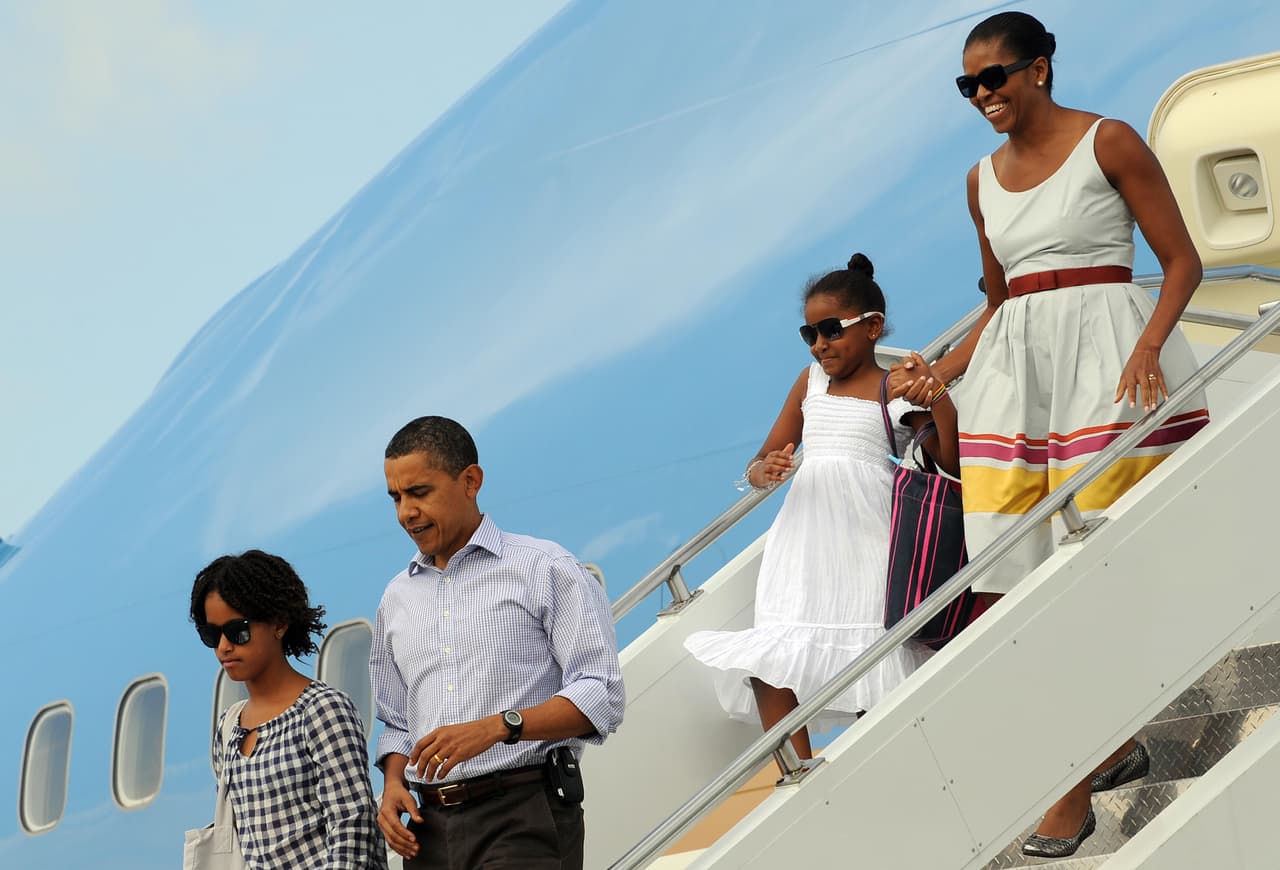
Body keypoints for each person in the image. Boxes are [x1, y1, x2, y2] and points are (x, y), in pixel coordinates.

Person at [893, 11, 1211, 858]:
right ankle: (1101, 749)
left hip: (1105, 369)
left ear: (1040, 69)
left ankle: (1070, 788)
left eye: (994, 77)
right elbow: (1002, 301)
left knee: (1094, 570)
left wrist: (1149, 346)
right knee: (1006, 590)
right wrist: (944, 372)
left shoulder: (1109, 142)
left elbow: (1181, 260)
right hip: (1014, 387)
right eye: (968, 86)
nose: (982, 96)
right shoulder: (979, 180)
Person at [683, 254, 958, 769]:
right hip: (806, 534)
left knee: (871, 653)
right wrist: (763, 471)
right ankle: (798, 771)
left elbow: (950, 460)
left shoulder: (895, 385)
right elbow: (767, 453)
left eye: (831, 329)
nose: (820, 345)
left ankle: (876, 768)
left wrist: (939, 396)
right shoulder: (809, 381)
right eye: (808, 334)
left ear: (872, 327)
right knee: (775, 654)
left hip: (870, 532)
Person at [370, 415, 625, 869]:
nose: (405, 512)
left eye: (420, 492)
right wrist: (393, 785)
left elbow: (600, 694)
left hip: (525, 811)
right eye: (396, 497)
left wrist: (499, 726)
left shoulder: (544, 567)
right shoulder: (396, 598)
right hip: (429, 830)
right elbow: (396, 722)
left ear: (470, 481)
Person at [190, 550, 386, 869]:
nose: (224, 646)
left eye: (238, 631)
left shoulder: (322, 710)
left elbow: (352, 831)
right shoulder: (228, 727)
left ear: (279, 623)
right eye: (212, 634)